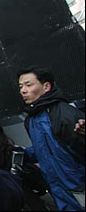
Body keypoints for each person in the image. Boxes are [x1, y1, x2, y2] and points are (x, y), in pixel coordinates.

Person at [17, 66, 85, 211]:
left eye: (29, 85)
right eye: (21, 86)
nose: (23, 90)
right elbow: (46, 150)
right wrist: (22, 153)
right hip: (59, 192)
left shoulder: (65, 114)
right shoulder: (31, 120)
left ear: (46, 86)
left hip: (78, 187)